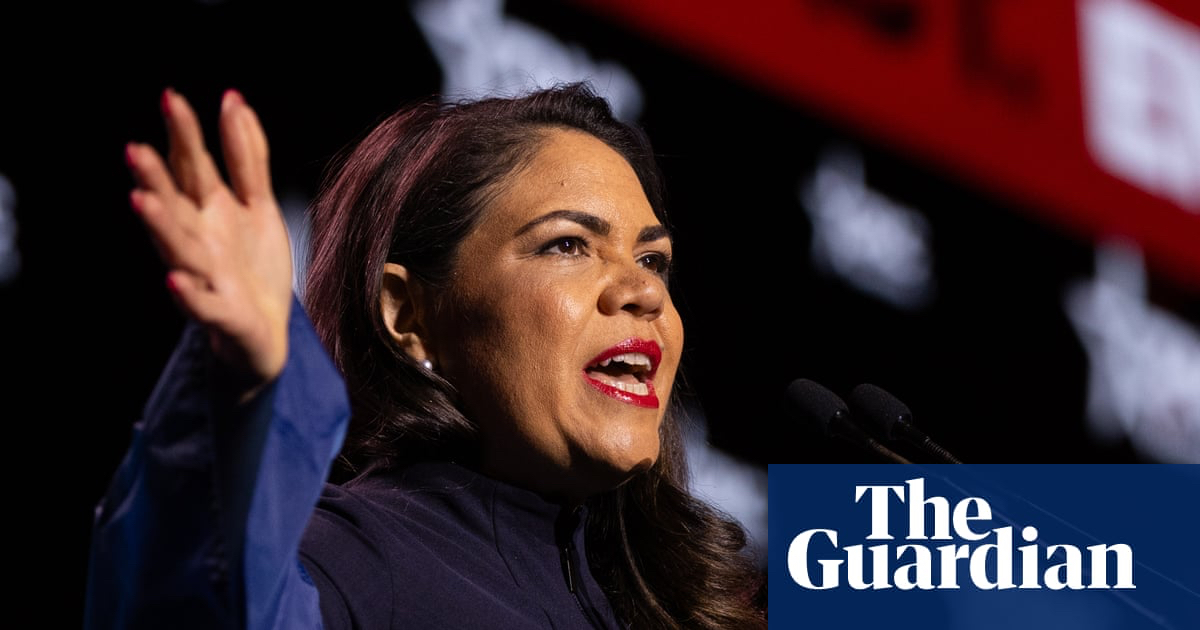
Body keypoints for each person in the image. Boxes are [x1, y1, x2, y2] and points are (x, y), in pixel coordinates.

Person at [85, 82, 766, 629]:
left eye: (652, 260)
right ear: (408, 315)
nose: (644, 291)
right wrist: (243, 384)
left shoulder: (686, 600)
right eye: (567, 245)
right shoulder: (358, 559)